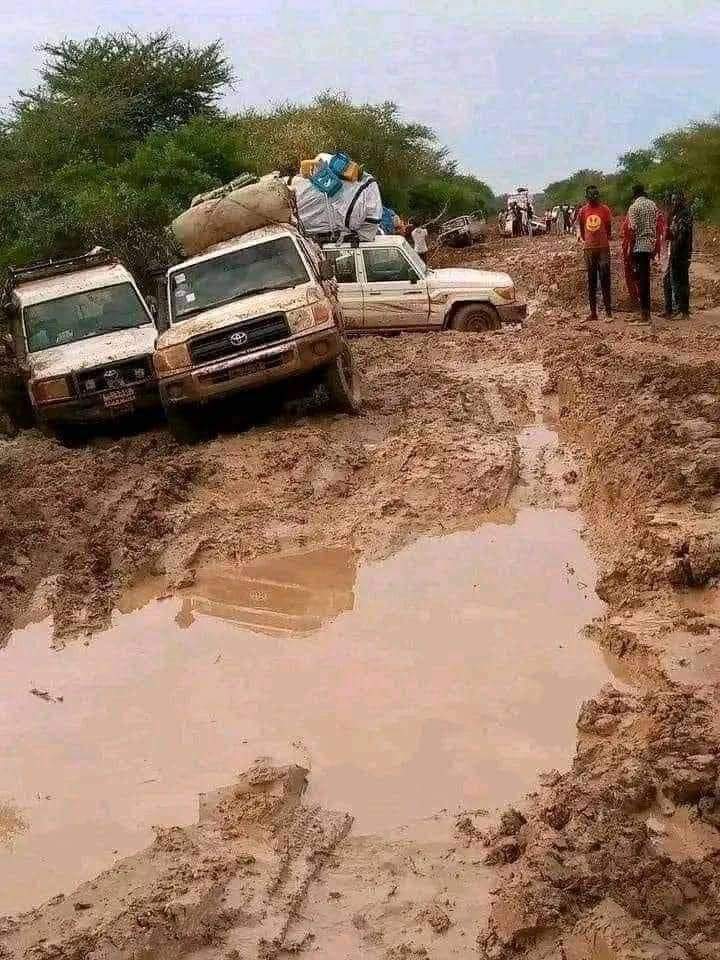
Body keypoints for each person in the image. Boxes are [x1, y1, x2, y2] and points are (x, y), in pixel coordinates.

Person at [578, 185, 613, 321]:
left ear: (598, 195)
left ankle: (608, 313)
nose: (593, 197)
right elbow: (582, 228)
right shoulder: (583, 211)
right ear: (587, 197)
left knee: (605, 280)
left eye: (595, 195)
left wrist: (602, 239)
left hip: (603, 249)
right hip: (589, 250)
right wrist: (588, 241)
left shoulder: (605, 210)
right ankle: (593, 313)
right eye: (591, 195)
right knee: (591, 281)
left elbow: (608, 228)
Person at [627, 184, 658, 323]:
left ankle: (645, 314)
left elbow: (632, 230)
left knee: (640, 281)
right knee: (645, 279)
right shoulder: (652, 205)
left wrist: (630, 250)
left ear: (634, 195)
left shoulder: (634, 207)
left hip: (639, 247)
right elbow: (656, 224)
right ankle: (646, 312)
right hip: (650, 245)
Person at [664, 192, 693, 319]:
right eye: (673, 200)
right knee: (670, 280)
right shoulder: (675, 214)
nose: (674, 202)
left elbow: (682, 235)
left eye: (676, 200)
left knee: (677, 281)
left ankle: (680, 310)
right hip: (675, 251)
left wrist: (675, 251)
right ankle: (672, 310)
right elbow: (673, 234)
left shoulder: (684, 214)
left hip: (680, 252)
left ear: (682, 200)